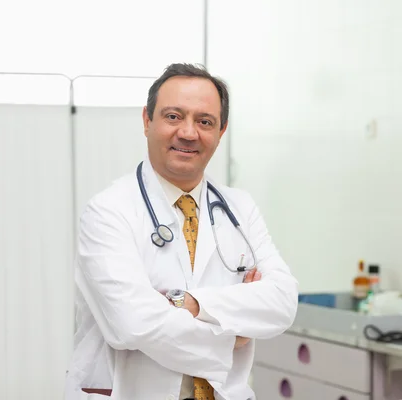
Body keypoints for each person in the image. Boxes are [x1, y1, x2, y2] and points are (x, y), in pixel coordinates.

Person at [64, 63, 299, 400]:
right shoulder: (108, 211)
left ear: (221, 131)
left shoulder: (240, 208)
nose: (189, 132)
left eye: (205, 121)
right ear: (147, 120)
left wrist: (189, 304)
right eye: (173, 116)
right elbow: (135, 323)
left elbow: (282, 301)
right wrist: (235, 334)